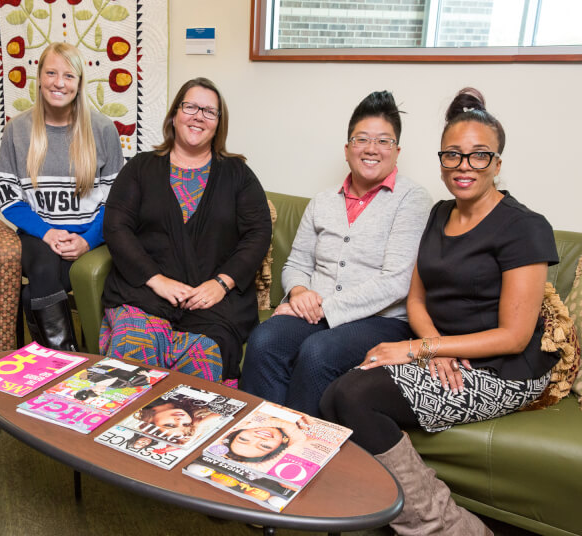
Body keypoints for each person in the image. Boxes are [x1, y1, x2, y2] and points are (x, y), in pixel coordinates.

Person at [320, 87, 559, 535]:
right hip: (445, 351)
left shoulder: (525, 227)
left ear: (497, 164)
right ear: (441, 160)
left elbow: (514, 336)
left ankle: (446, 528)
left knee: (353, 395)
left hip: (504, 369)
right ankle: (384, 517)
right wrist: (434, 348)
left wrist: (419, 349)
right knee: (336, 391)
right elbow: (416, 299)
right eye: (453, 155)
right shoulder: (438, 214)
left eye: (479, 155)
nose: (464, 166)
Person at [241, 91, 432, 417]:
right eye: (362, 139)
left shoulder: (412, 199)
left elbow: (396, 281)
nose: (371, 148)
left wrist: (322, 308)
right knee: (265, 340)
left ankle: (303, 443)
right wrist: (298, 292)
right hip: (317, 314)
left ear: (397, 152)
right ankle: (262, 433)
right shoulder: (323, 201)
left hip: (381, 321)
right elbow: (297, 262)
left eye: (383, 141)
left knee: (318, 352)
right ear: (347, 149)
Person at [99, 77, 272, 388]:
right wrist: (157, 280)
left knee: (203, 355)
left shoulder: (238, 174)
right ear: (174, 115)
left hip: (212, 301)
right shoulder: (140, 168)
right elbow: (116, 226)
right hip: (145, 293)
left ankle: (187, 420)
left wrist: (222, 283)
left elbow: (258, 233)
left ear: (218, 124)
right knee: (134, 348)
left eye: (209, 111)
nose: (198, 116)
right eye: (190, 107)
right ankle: (118, 417)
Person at [0, 42, 123, 350]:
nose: (58, 83)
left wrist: (88, 241)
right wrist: (47, 232)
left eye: (68, 75)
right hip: (38, 237)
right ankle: (68, 358)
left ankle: (55, 361)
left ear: (79, 82)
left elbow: (116, 202)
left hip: (88, 237)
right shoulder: (17, 130)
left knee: (34, 292)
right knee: (42, 267)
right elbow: (8, 197)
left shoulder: (103, 129)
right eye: (51, 73)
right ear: (39, 77)